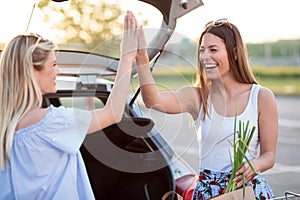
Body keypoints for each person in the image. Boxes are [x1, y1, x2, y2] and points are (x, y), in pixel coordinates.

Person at [0, 11, 139, 199]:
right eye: (54, 64)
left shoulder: (4, 128)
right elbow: (114, 112)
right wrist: (127, 56)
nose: (58, 71)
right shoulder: (52, 123)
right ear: (32, 71)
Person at [135, 18, 278, 199]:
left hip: (247, 191)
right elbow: (152, 101)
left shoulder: (261, 97)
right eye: (202, 50)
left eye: (213, 50)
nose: (204, 57)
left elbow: (269, 155)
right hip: (208, 192)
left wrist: (255, 165)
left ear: (234, 53)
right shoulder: (198, 97)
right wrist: (141, 57)